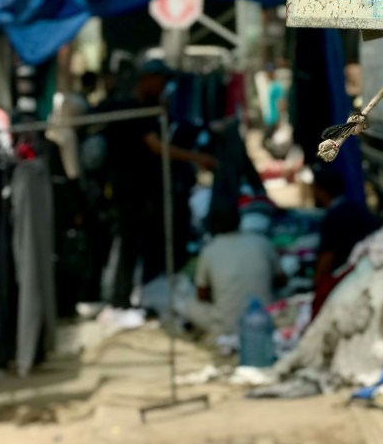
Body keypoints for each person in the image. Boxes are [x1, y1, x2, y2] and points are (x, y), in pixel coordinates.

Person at [108, 59, 217, 309]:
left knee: (146, 242)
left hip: (144, 188)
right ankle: (121, 299)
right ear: (148, 79)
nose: (163, 87)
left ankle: (143, 292)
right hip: (131, 190)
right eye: (161, 82)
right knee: (131, 244)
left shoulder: (149, 107)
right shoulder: (135, 109)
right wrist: (196, 158)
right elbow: (155, 146)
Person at [192, 205, 284, 337]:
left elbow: (201, 295)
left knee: (190, 304)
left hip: (226, 326)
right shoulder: (261, 241)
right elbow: (282, 280)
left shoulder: (210, 249)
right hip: (264, 319)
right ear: (239, 220)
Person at [311, 164, 380, 318]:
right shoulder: (357, 208)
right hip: (367, 273)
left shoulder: (333, 218)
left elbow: (325, 261)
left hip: (348, 280)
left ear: (322, 191)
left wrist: (316, 286)